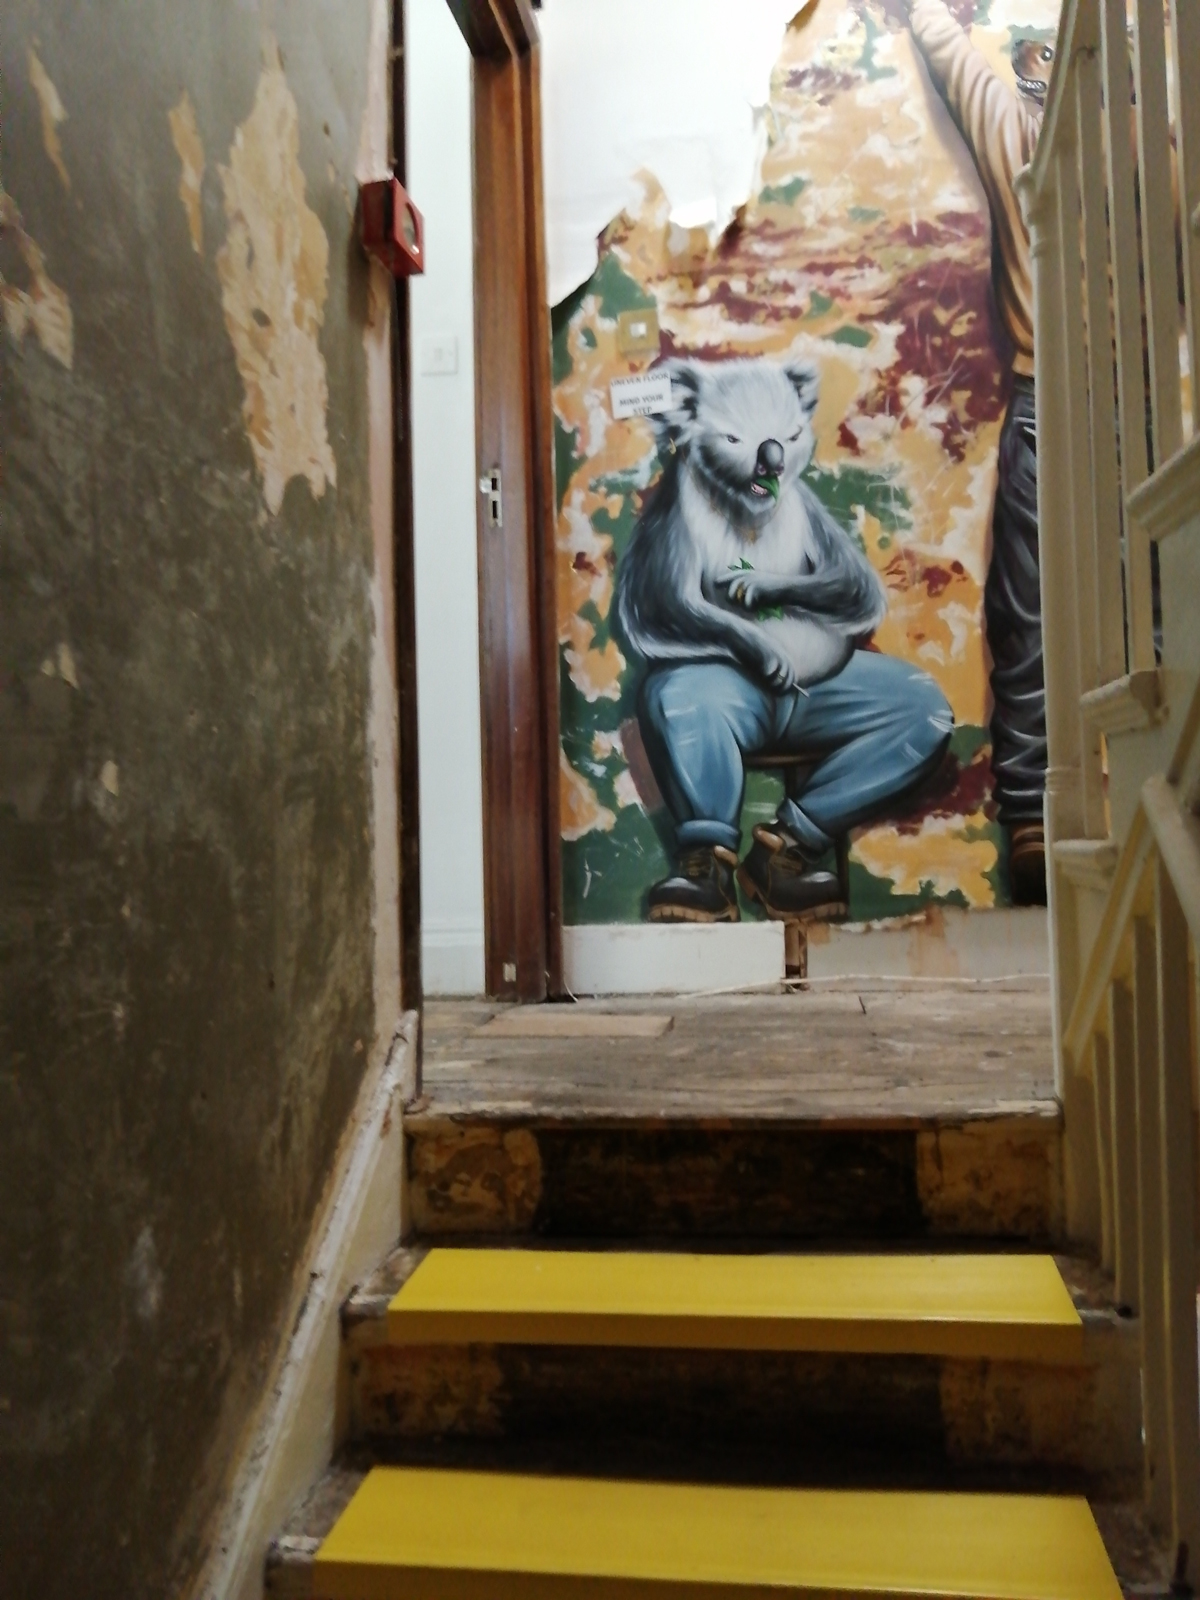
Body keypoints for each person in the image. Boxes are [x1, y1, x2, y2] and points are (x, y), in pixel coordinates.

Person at [906, 0, 1052, 904]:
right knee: (1161, 613)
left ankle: (1031, 815)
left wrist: (933, 10)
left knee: (1027, 616)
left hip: (1047, 397)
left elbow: (947, 51)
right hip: (1143, 403)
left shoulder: (1019, 137)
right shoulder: (1160, 143)